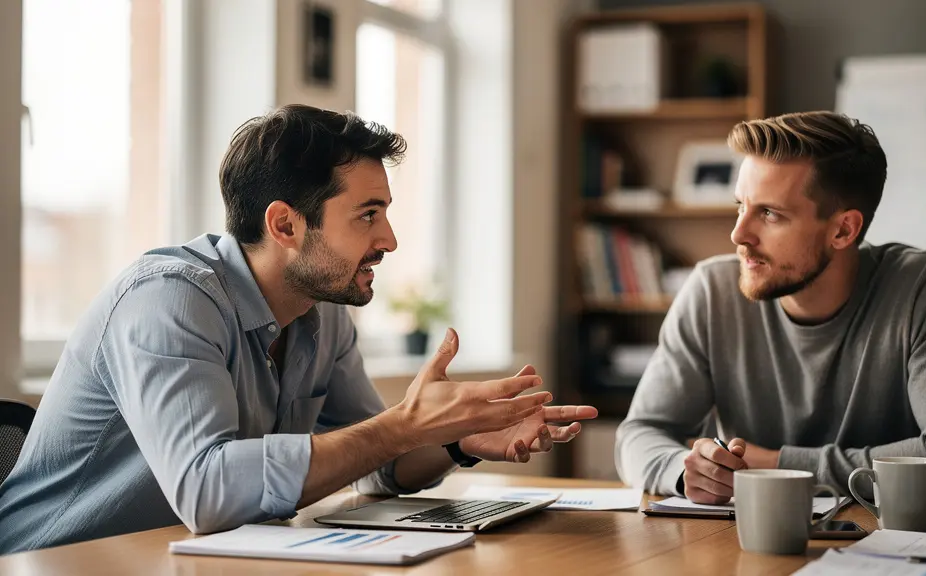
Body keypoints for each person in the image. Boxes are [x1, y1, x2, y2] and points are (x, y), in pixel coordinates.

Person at [0, 104, 598, 554]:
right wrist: (402, 426)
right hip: (53, 562)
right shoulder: (168, 300)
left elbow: (377, 463)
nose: (389, 240)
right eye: (367, 215)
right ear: (285, 225)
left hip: (187, 560)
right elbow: (208, 492)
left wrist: (455, 438)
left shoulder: (322, 312)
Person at [615, 110, 926, 506]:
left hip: (887, 538)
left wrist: (775, 466)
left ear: (843, 230)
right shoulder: (712, 292)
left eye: (769, 213)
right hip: (747, 537)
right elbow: (639, 433)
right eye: (740, 205)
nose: (738, 234)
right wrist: (686, 471)